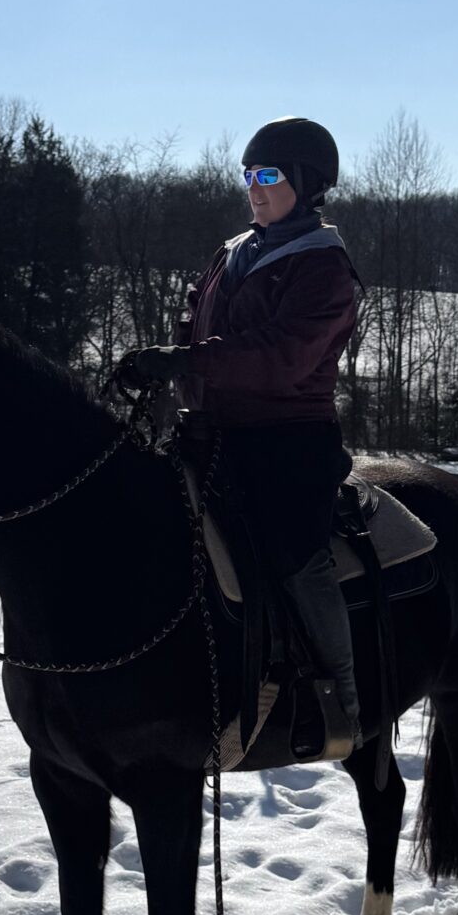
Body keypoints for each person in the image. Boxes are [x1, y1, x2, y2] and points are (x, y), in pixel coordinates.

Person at [118, 117, 362, 752]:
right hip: (206, 434)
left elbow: (282, 355)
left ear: (306, 185)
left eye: (268, 176)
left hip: (286, 444)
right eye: (249, 176)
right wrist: (156, 366)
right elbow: (195, 329)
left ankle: (342, 694)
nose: (254, 188)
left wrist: (187, 359)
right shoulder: (233, 251)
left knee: (295, 556)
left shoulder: (323, 266)